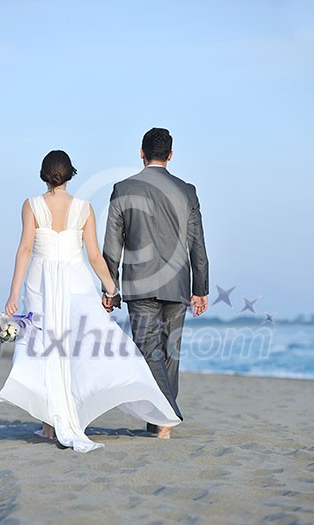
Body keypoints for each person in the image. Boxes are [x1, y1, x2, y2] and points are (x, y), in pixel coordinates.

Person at [0, 150, 181, 453]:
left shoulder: (31, 205)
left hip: (40, 282)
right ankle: (155, 414)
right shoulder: (83, 208)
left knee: (45, 348)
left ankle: (49, 424)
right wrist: (111, 288)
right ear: (71, 174)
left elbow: (25, 249)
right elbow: (94, 256)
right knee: (80, 347)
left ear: (44, 174)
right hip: (75, 282)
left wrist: (13, 294)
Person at [102, 128, 209, 437]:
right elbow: (197, 243)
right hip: (178, 283)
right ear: (171, 155)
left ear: (141, 152)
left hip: (140, 285)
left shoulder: (123, 189)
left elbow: (113, 245)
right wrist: (200, 287)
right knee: (168, 352)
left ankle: (165, 416)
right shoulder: (187, 190)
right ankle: (161, 421)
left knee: (151, 351)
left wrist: (110, 288)